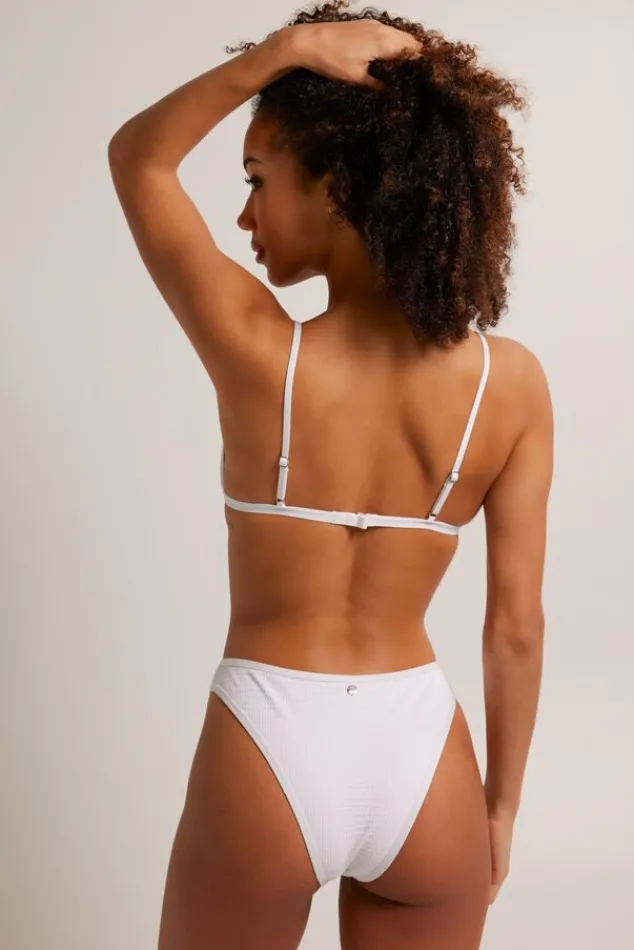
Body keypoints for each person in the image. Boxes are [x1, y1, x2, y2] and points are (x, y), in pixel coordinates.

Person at [108, 2, 553, 947]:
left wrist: (286, 53)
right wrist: (500, 808)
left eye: (257, 179)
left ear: (338, 187)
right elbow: (516, 626)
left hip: (266, 744)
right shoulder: (509, 386)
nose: (244, 215)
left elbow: (138, 158)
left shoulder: (260, 355)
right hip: (423, 756)